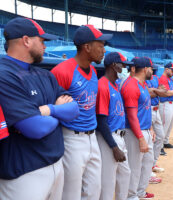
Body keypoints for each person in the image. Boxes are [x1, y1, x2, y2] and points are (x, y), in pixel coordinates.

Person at [0, 17, 79, 200]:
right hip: (23, 173)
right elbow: (35, 128)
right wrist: (59, 110)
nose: (45, 46)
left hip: (56, 164)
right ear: (26, 40)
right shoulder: (4, 74)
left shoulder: (44, 75)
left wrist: (49, 110)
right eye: (42, 41)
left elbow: (74, 109)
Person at [51, 24, 112, 200]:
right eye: (100, 45)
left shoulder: (93, 70)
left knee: (94, 189)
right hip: (71, 137)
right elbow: (50, 107)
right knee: (71, 192)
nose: (103, 50)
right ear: (87, 47)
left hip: (92, 136)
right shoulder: (62, 71)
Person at [96, 52, 133, 200]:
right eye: (122, 65)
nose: (124, 68)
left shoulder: (115, 84)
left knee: (125, 174)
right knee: (108, 181)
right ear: (113, 65)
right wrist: (114, 147)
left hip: (120, 136)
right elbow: (101, 120)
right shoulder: (102, 85)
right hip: (109, 138)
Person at [121, 57, 155, 200]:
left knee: (148, 162)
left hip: (145, 130)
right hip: (134, 133)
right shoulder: (131, 85)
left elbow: (145, 109)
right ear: (146, 69)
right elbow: (132, 116)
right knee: (134, 167)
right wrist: (141, 138)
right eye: (151, 68)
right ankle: (131, 196)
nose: (152, 71)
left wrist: (151, 128)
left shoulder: (142, 84)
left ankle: (140, 192)